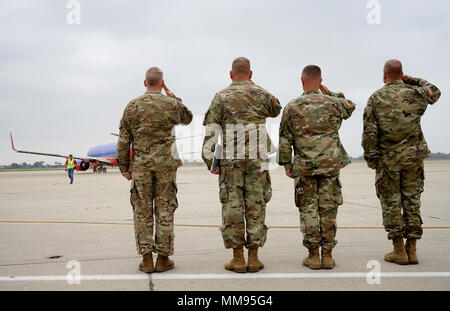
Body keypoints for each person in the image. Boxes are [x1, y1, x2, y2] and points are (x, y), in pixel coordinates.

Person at [202, 57, 281, 273]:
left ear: (230, 74)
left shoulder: (221, 97)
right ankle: (254, 258)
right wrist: (257, 88)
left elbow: (211, 129)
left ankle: (238, 259)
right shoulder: (262, 94)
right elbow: (276, 109)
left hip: (231, 160)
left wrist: (210, 160)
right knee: (256, 204)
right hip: (257, 159)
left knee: (232, 206)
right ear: (251, 74)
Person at [362, 59, 441, 265]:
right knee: (412, 200)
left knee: (391, 203)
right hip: (413, 158)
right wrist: (411, 80)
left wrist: (371, 158)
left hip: (388, 160)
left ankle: (399, 249)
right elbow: (435, 91)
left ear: (384, 75)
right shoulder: (416, 93)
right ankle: (412, 250)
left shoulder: (376, 98)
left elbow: (369, 132)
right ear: (402, 74)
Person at [277, 65, 355, 269]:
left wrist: (287, 164)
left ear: (302, 80)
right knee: (328, 210)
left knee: (308, 210)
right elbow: (350, 106)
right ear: (321, 81)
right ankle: (327, 255)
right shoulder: (334, 103)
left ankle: (313, 256)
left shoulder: (292, 106)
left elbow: (285, 138)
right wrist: (331, 93)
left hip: (305, 167)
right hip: (330, 166)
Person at [117, 67, 193, 273]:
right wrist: (172, 94)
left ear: (145, 83)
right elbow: (188, 117)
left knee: (142, 212)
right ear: (162, 83)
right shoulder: (171, 104)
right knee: (165, 210)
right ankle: (163, 258)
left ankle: (147, 259)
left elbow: (124, 140)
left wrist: (124, 167)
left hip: (141, 167)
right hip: (166, 167)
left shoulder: (132, 106)